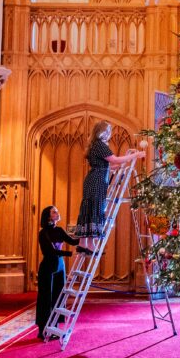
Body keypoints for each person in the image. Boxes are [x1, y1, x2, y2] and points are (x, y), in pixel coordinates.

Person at [75, 121, 146, 250]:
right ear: (101, 132)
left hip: (96, 178)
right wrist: (135, 155)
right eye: (108, 131)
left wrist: (127, 157)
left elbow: (111, 165)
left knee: (90, 209)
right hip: (97, 180)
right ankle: (90, 244)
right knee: (95, 208)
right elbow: (114, 160)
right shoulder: (100, 145)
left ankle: (83, 243)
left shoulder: (96, 145)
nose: (109, 134)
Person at [36, 205, 90, 339]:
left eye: (57, 211)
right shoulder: (43, 233)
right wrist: (71, 253)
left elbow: (72, 241)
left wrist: (86, 237)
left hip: (60, 267)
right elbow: (50, 252)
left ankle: (54, 327)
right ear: (48, 216)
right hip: (48, 267)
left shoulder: (59, 230)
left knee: (58, 297)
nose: (57, 213)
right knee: (46, 299)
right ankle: (43, 330)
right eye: (54, 212)